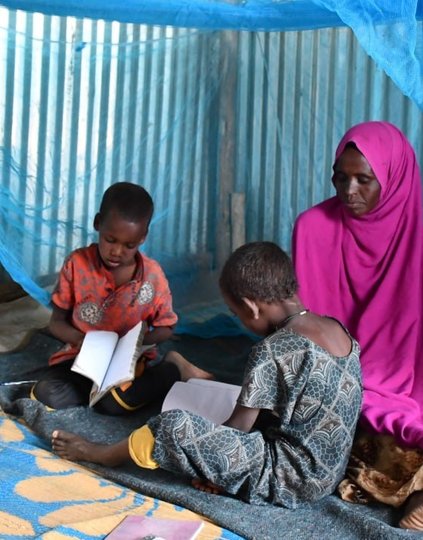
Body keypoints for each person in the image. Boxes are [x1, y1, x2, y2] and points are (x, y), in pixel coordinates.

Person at [51, 241, 362, 508]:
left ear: (251, 307)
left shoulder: (273, 350)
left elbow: (237, 430)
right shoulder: (340, 331)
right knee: (248, 399)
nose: (240, 320)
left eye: (236, 313)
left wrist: (213, 465)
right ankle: (192, 381)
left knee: (174, 427)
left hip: (289, 480)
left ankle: (102, 454)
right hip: (330, 473)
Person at [292, 121, 423, 529]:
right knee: (321, 420)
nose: (349, 191)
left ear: (394, 179)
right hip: (341, 375)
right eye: (340, 178)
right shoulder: (314, 228)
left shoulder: (418, 232)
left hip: (412, 379)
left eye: (364, 180)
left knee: (407, 428)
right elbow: (306, 327)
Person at [33, 181, 212, 414]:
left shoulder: (152, 276)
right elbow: (56, 322)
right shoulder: (77, 264)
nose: (117, 251)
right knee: (46, 394)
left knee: (116, 403)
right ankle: (96, 392)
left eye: (129, 245)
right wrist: (82, 340)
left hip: (128, 365)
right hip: (81, 359)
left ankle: (173, 367)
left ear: (143, 237)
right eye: (110, 240)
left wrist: (134, 344)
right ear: (98, 223)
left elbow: (167, 328)